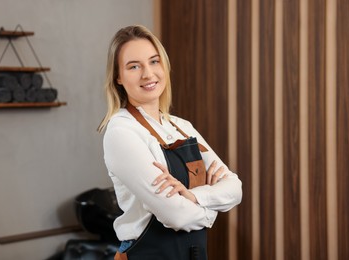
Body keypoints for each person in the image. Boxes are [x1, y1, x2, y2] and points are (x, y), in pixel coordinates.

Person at [98, 25, 242, 260]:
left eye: (154, 62)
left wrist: (195, 196)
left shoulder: (181, 126)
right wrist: (213, 207)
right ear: (118, 78)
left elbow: (235, 188)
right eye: (134, 66)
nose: (148, 74)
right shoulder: (121, 132)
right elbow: (177, 216)